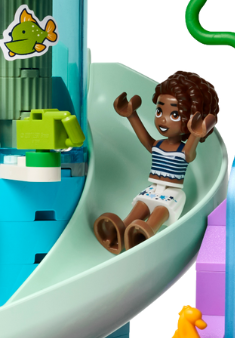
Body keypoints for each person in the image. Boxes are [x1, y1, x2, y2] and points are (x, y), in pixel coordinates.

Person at [93, 70, 218, 253]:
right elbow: (145, 139)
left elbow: (190, 153)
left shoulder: (183, 151)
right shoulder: (158, 145)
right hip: (152, 189)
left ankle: (145, 235)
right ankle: (120, 231)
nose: (163, 119)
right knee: (140, 206)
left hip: (172, 193)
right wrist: (131, 115)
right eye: (159, 111)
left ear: (190, 119)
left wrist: (196, 135)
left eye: (174, 115)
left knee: (160, 211)